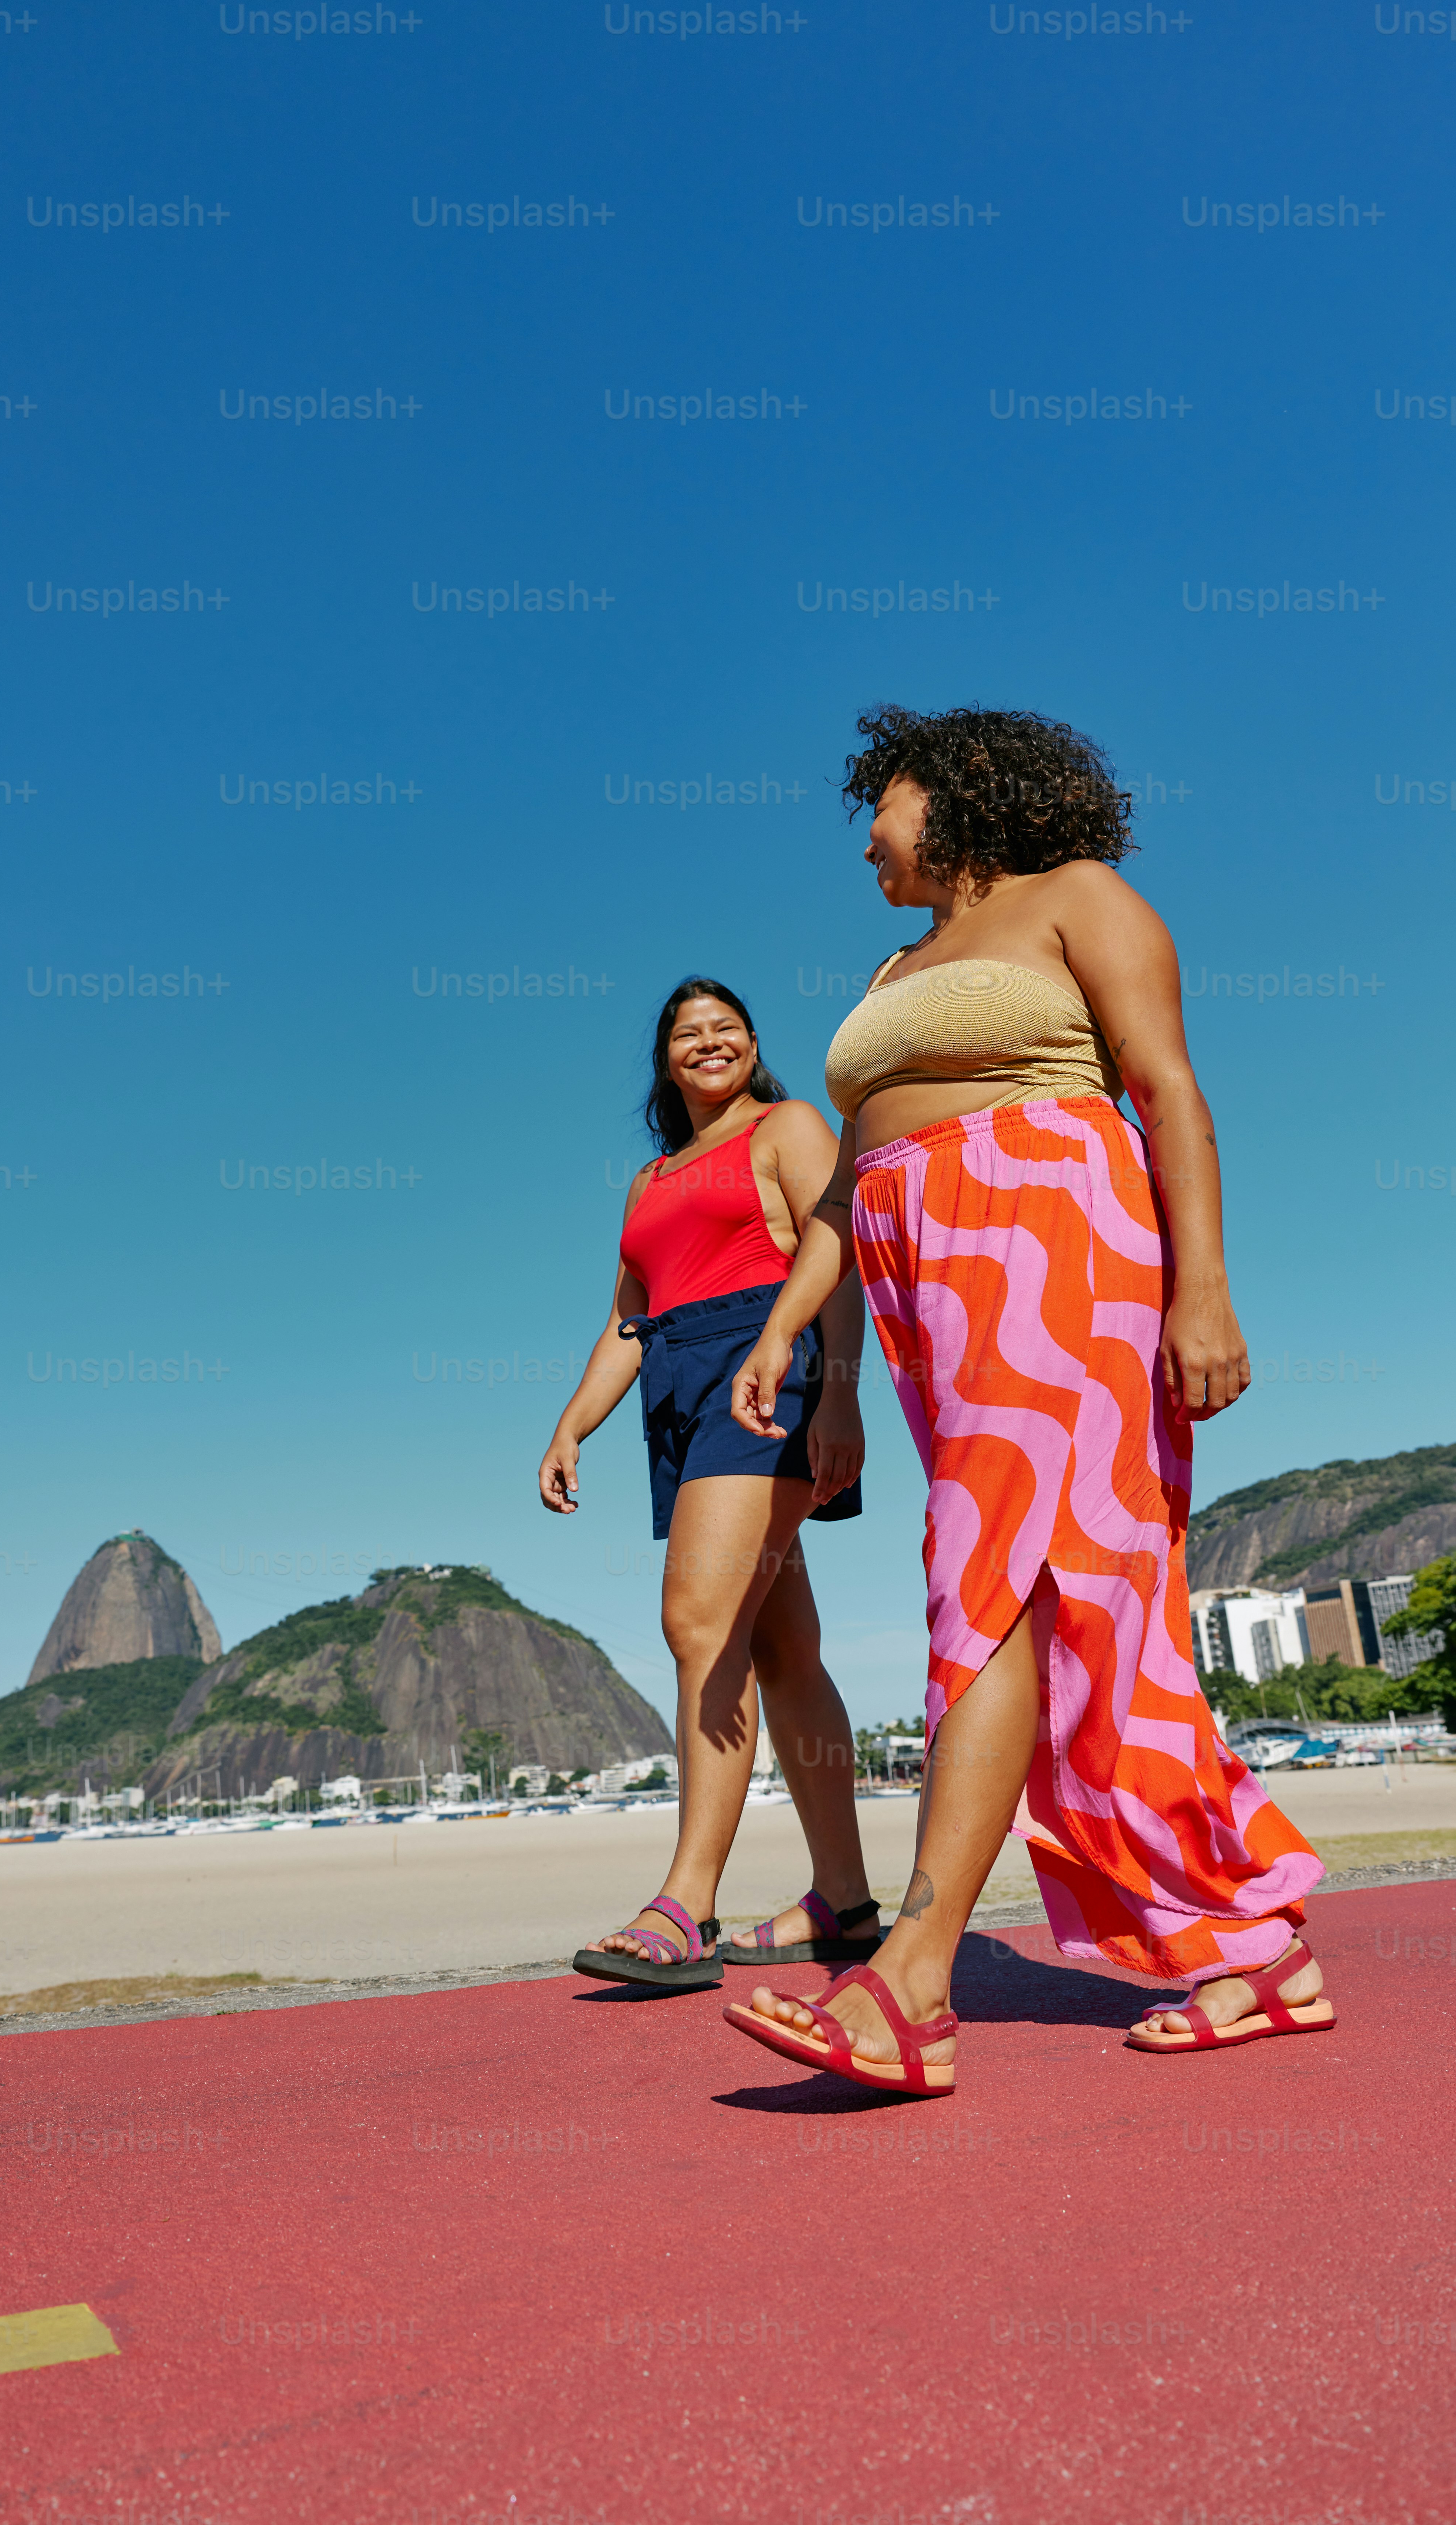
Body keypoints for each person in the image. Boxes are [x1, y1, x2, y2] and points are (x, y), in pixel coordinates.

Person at [724, 705, 1331, 2094]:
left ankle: (914, 1984)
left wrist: (1204, 1292)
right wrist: (800, 1348)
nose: (866, 838)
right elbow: (845, 1182)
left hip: (1054, 1242)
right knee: (1073, 1605)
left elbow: (1170, 1092)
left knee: (990, 1588)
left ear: (954, 795)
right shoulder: (897, 962)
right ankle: (1251, 1942)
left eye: (878, 804)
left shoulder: (1080, 899)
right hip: (922, 1284)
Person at [538, 978, 882, 1990]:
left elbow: (844, 1249)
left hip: (765, 1367)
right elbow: (627, 1324)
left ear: (754, 1043)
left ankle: (686, 1904)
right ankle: (845, 1904)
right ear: (665, 1062)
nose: (709, 1042)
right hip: (680, 1387)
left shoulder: (785, 1127)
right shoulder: (648, 1183)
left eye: (726, 1027)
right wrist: (572, 1425)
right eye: (687, 1034)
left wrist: (841, 1399)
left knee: (698, 1621)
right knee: (781, 1646)